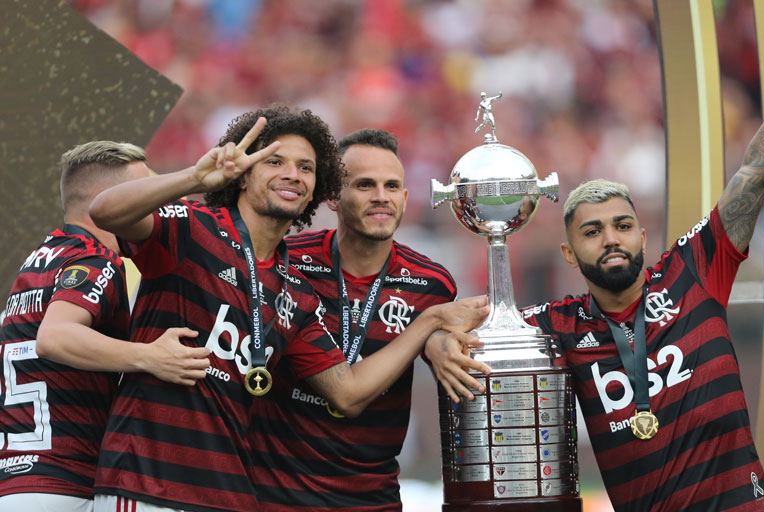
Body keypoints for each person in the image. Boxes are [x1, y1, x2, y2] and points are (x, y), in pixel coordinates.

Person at [430, 19, 764, 512]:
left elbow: (758, 171)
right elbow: (470, 332)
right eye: (591, 232)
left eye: (621, 225)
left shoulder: (693, 270)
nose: (610, 239)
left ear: (641, 233)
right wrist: (440, 345)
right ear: (569, 253)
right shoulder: (559, 326)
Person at [88, 106, 488, 512]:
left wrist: (432, 326)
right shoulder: (192, 228)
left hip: (232, 495)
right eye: (274, 162)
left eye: (306, 167)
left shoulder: (293, 290)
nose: (292, 174)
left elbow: (347, 392)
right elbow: (104, 212)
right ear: (243, 173)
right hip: (149, 484)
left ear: (317, 188)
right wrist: (194, 177)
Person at [247, 128, 489, 511]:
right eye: (364, 185)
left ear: (405, 198)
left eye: (392, 186)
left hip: (372, 498)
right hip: (274, 494)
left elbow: (441, 339)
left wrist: (440, 342)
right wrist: (427, 327)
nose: (381, 197)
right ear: (332, 196)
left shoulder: (432, 282)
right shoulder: (285, 259)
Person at [0, 141, 211, 512]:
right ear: (107, 201)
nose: (155, 203)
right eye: (143, 190)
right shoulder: (98, 260)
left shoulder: (38, 263)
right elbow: (56, 337)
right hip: (63, 483)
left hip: (17, 481)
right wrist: (151, 356)